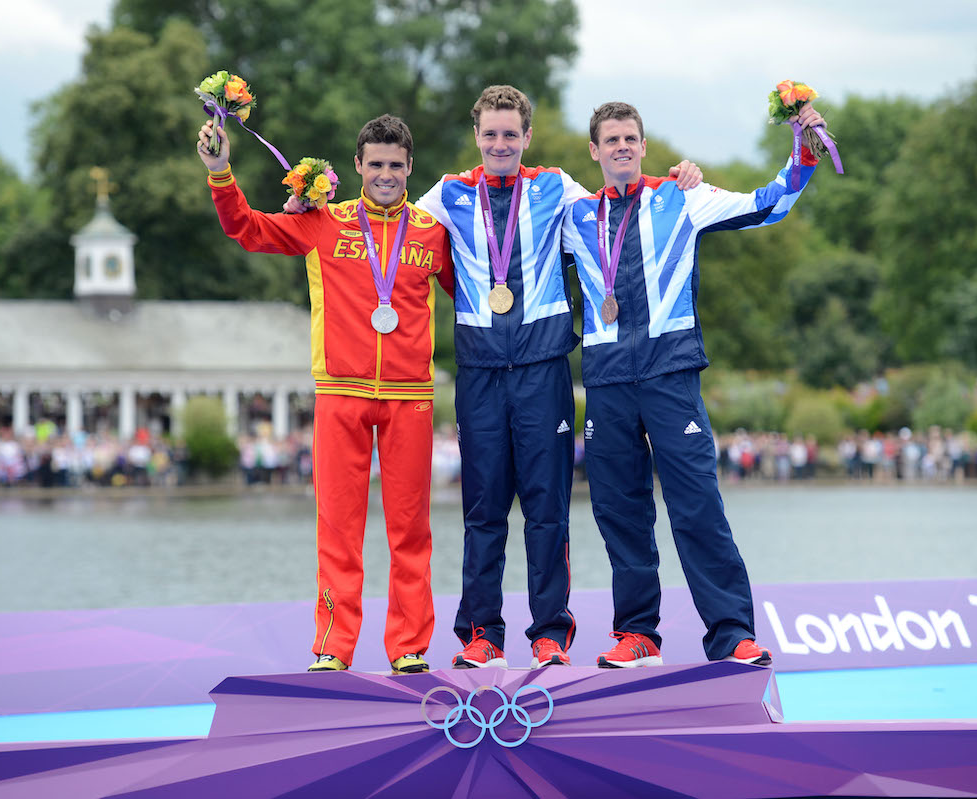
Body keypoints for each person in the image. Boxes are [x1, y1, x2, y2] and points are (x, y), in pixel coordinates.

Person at [415, 86, 703, 670]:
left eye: (511, 134)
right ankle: (481, 635)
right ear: (477, 137)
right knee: (482, 509)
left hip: (545, 369)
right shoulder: (447, 193)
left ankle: (550, 633)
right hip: (478, 371)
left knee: (548, 508)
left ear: (528, 137)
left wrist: (681, 179)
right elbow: (391, 226)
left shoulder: (555, 188)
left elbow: (614, 209)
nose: (501, 144)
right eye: (491, 134)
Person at [562, 99, 828, 668]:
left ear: (643, 144)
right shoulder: (574, 216)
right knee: (618, 510)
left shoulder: (682, 198)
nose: (622, 148)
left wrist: (802, 154)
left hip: (670, 375)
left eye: (630, 138)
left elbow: (768, 205)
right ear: (594, 150)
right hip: (606, 381)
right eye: (611, 140)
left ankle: (731, 635)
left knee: (697, 505)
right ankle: (637, 636)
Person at [196, 114, 454, 675]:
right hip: (340, 393)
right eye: (376, 164)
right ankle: (333, 647)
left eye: (396, 165)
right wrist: (220, 172)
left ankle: (408, 646)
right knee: (338, 529)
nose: (386, 174)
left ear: (411, 168)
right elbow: (248, 229)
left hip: (411, 397)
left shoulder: (433, 232)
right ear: (358, 165)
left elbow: (478, 290)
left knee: (410, 529)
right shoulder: (321, 223)